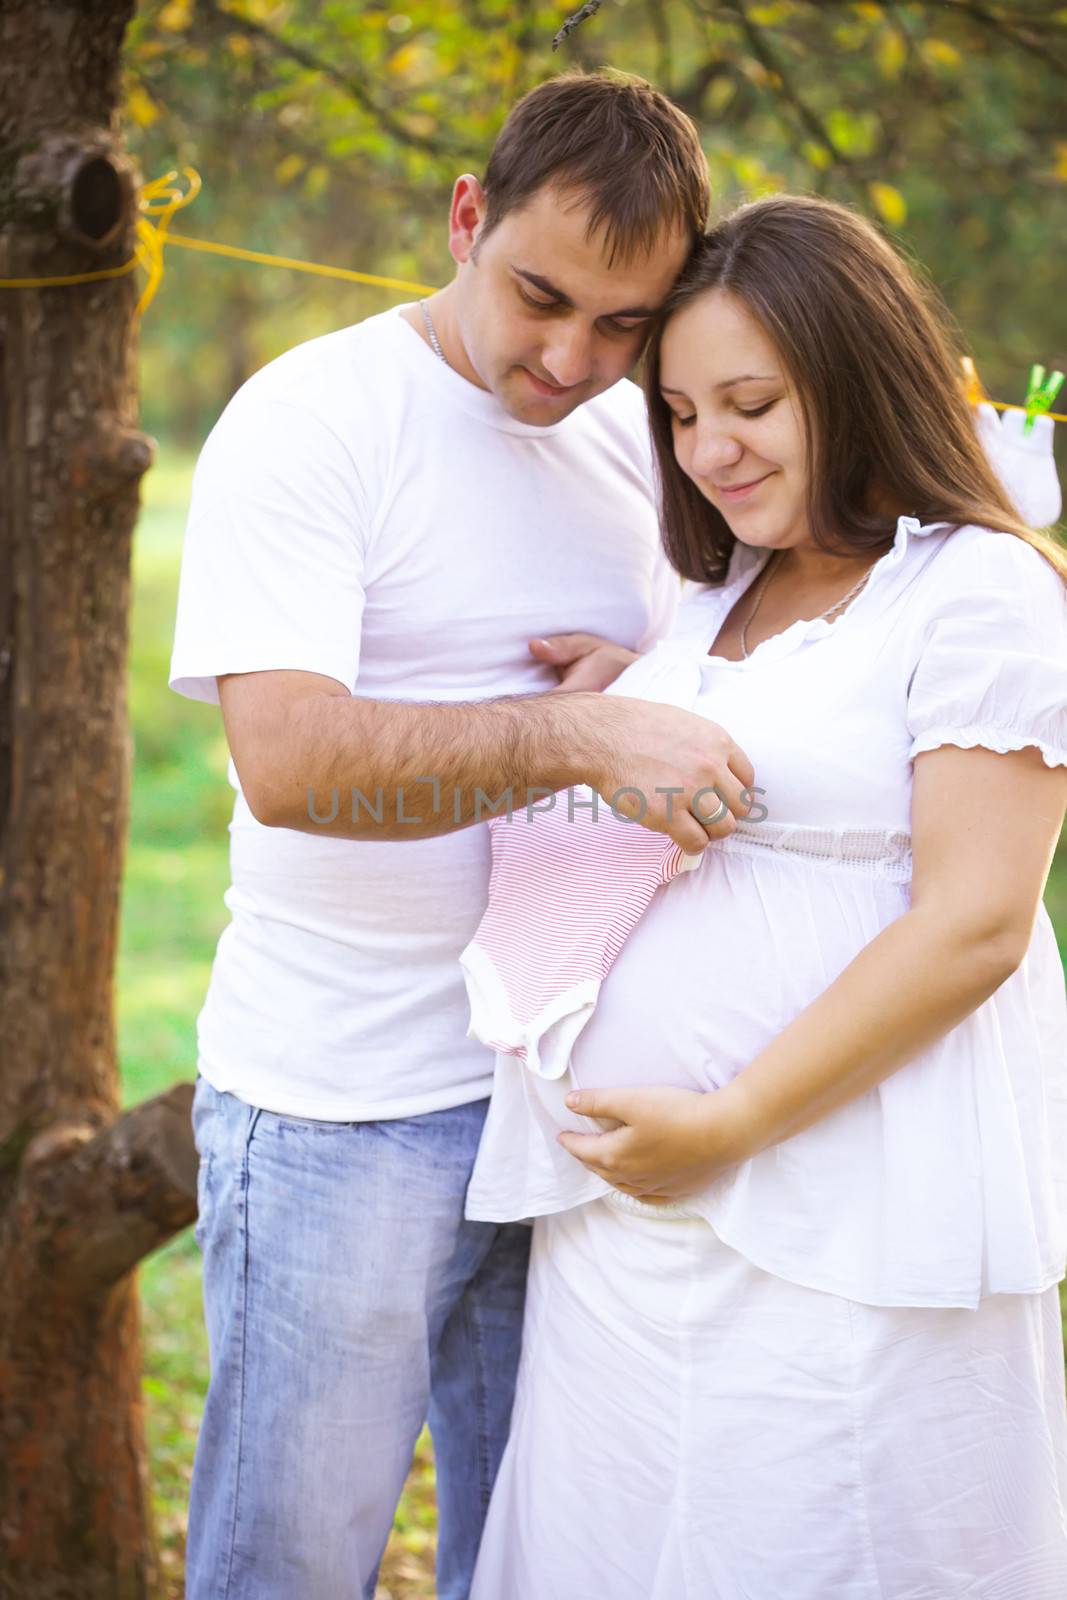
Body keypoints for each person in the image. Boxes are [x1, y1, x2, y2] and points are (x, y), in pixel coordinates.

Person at [168, 69, 753, 1600]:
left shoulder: (642, 443)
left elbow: (695, 677)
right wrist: (576, 735)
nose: (572, 359)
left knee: (539, 1553)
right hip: (342, 1104)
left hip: (564, 1099)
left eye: (624, 326)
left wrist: (641, 688)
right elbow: (288, 765)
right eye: (541, 297)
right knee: (289, 1566)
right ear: (466, 216)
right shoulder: (312, 419)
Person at [465, 193, 1067, 1598]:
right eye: (680, 413)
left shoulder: (976, 592)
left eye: (752, 402)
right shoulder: (717, 590)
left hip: (836, 1196)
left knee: (816, 1537)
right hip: (625, 1213)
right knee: (620, 1548)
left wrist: (730, 1119)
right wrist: (617, 705)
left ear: (858, 377)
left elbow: (976, 923)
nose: (709, 449)